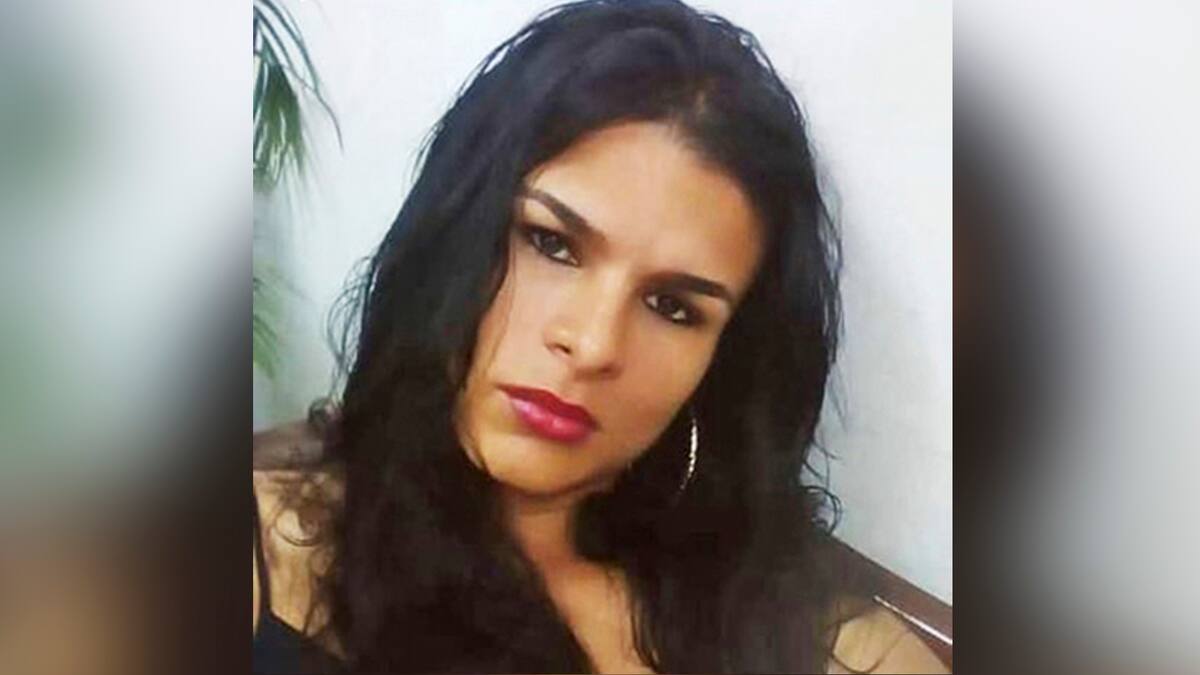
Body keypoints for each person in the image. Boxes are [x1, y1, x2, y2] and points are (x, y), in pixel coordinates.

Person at [253, 0, 948, 672]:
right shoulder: (259, 556)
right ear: (456, 231)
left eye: (672, 307)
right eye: (550, 243)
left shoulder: (819, 640)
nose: (592, 345)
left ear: (723, 360)